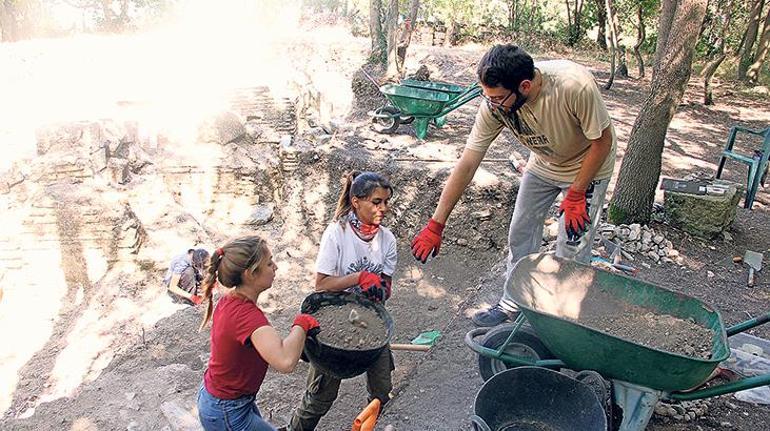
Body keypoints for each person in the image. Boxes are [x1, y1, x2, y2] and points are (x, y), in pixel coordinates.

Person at [411, 44, 616, 327]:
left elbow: (602, 141)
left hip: (587, 167)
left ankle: (563, 319)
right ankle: (514, 303)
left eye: (496, 98)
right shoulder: (495, 105)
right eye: (487, 96)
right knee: (521, 231)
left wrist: (578, 191)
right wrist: (437, 224)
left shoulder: (573, 86)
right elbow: (468, 162)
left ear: (525, 86)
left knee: (572, 245)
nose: (491, 104)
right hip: (543, 164)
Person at [288, 171, 397, 431]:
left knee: (382, 392)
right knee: (320, 397)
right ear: (356, 202)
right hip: (334, 323)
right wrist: (359, 277)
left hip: (372, 322)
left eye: (386, 201)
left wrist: (379, 291)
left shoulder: (388, 240)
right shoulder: (337, 233)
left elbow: (387, 285)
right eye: (376, 201)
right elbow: (322, 284)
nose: (383, 208)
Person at [197, 236, 320, 431]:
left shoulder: (231, 301)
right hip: (227, 409)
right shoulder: (246, 316)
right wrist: (301, 323)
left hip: (223, 399)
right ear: (250, 274)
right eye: (269, 262)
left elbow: (270, 345)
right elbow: (286, 361)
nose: (275, 267)